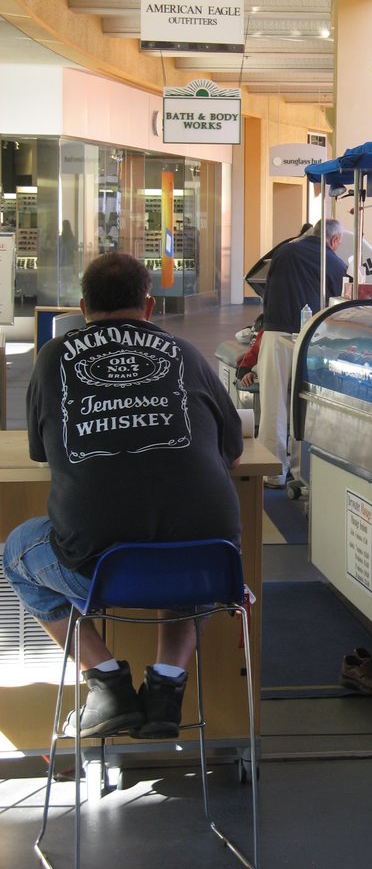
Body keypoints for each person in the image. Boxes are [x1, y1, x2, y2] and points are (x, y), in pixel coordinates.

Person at [2, 252, 244, 740]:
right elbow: (233, 448)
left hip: (98, 566)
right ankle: (167, 691)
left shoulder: (54, 357)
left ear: (83, 305)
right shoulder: (185, 353)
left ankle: (107, 682)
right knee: (183, 555)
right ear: (149, 305)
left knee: (16, 551)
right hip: (211, 563)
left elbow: (40, 454)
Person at [256, 218, 346, 487]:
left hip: (274, 334)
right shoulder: (336, 263)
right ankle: (302, 475)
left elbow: (265, 291)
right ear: (334, 240)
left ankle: (272, 472)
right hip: (310, 338)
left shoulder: (284, 251)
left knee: (273, 404)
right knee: (302, 406)